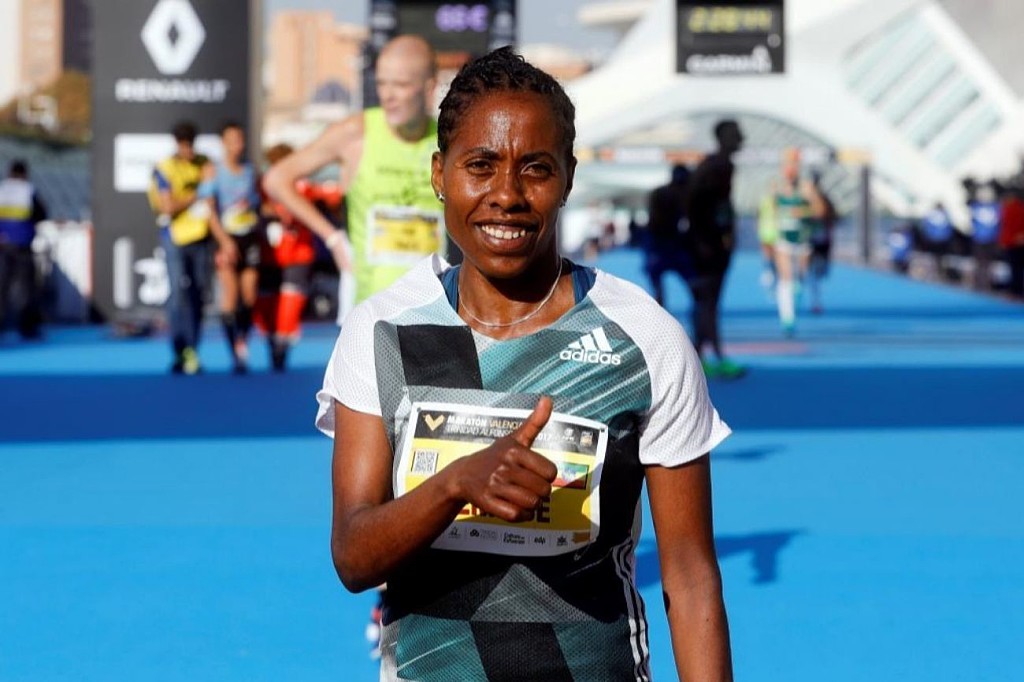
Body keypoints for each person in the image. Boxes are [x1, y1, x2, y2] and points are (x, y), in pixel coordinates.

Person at [315, 47, 733, 681]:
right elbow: (354, 556)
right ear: (439, 173)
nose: (506, 196)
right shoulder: (381, 332)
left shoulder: (645, 339)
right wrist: (455, 485)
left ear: (568, 177)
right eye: (480, 166)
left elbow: (690, 573)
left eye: (535, 169)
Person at [263, 34, 445, 327]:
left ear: (429, 87)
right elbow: (276, 180)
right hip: (369, 310)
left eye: (401, 85)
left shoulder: (448, 139)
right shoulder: (356, 133)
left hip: (434, 308)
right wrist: (333, 239)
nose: (388, 95)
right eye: (382, 83)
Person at [148, 120, 236, 374]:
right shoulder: (165, 168)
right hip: (175, 237)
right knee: (177, 293)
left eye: (191, 145)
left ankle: (193, 349)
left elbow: (214, 194)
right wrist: (197, 194)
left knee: (198, 293)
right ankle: (179, 348)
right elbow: (167, 207)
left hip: (201, 237)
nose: (187, 150)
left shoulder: (204, 163)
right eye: (183, 145)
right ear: (177, 144)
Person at [256, 143, 342, 371]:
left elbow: (331, 195)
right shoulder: (263, 185)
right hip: (270, 254)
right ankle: (272, 339)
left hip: (298, 253)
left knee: (291, 296)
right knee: (267, 300)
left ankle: (283, 342)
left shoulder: (302, 185)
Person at [686, 119, 746, 379]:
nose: (742, 139)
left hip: (705, 244)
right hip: (709, 246)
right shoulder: (720, 166)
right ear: (724, 138)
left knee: (706, 300)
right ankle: (715, 356)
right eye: (736, 134)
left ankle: (700, 355)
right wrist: (717, 237)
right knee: (708, 301)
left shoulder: (713, 164)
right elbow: (708, 205)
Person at [202, 120, 262, 373]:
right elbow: (209, 210)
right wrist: (224, 241)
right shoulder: (213, 171)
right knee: (230, 294)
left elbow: (256, 204)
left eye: (240, 139)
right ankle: (234, 352)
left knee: (249, 295)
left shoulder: (249, 171)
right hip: (225, 238)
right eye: (232, 140)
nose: (237, 145)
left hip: (249, 236)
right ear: (223, 143)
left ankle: (243, 341)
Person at [769, 147, 825, 336]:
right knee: (786, 277)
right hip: (784, 239)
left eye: (793, 165)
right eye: (787, 166)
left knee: (799, 280)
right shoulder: (777, 187)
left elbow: (820, 211)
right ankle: (787, 319)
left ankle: (796, 298)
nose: (789, 170)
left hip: (803, 240)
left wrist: (803, 211)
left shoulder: (806, 188)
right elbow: (773, 209)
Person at [0, 159, 48, 339]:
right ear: (25, 173)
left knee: (1, 288)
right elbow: (41, 214)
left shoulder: (2, 189)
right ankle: (27, 328)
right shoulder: (27, 190)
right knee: (26, 289)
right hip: (23, 246)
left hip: (3, 246)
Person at [643, 163, 694, 305]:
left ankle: (659, 305)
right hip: (666, 244)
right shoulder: (680, 196)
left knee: (658, 282)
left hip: (662, 244)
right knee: (692, 283)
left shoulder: (659, 193)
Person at [807, 170, 838, 315]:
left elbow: (835, 216)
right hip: (810, 240)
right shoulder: (806, 200)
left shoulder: (826, 199)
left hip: (824, 240)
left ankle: (816, 296)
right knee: (812, 270)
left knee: (822, 271)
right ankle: (815, 300)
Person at [998, 181, 1024, 299]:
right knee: (1016, 268)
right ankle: (1017, 290)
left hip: (1013, 243)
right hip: (1015, 242)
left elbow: (1005, 226)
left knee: (1015, 268)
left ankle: (1016, 291)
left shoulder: (1009, 209)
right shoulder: (1012, 208)